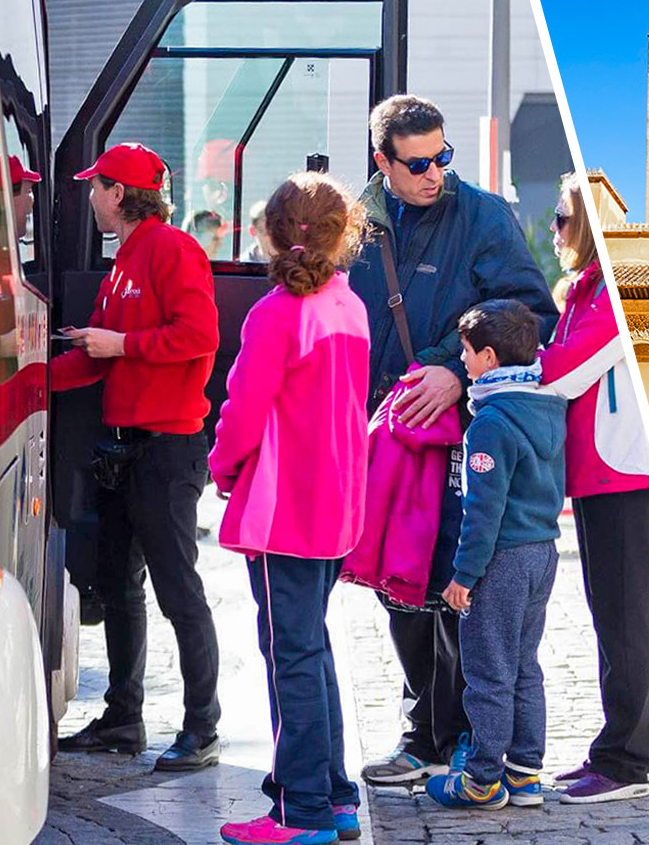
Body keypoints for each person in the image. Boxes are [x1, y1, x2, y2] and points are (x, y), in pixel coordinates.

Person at [349, 95, 559, 786]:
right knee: (395, 583)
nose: (435, 171)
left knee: (454, 585)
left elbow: (531, 315)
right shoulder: (359, 221)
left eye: (444, 156)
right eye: (418, 163)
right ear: (383, 162)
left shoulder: (485, 215)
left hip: (459, 434)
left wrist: (448, 365)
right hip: (383, 435)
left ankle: (463, 738)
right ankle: (425, 734)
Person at [52, 142, 222, 771]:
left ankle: (202, 727)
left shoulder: (171, 250)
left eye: (95, 187)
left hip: (165, 450)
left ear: (118, 193)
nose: (89, 196)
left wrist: (120, 342)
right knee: (122, 587)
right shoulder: (126, 258)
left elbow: (200, 336)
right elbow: (96, 357)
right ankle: (124, 719)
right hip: (125, 449)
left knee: (178, 591)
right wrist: (25, 379)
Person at [212, 175, 371, 845]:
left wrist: (222, 466)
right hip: (336, 502)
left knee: (291, 655)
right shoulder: (349, 305)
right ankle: (332, 795)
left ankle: (300, 809)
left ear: (274, 232)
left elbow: (244, 412)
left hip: (286, 506)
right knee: (311, 647)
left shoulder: (277, 312)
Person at [537, 176, 649, 803]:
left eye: (561, 219)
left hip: (621, 471)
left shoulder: (609, 290)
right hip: (594, 473)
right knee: (608, 614)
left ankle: (626, 763)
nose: (555, 230)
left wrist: (508, 368)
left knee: (624, 617)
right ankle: (611, 750)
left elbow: (566, 369)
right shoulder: (584, 289)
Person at [426, 300, 566, 810]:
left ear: (487, 356)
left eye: (465, 351)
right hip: (542, 551)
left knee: (488, 669)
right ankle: (525, 773)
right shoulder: (544, 405)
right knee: (524, 665)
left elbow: (482, 510)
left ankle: (482, 778)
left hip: (502, 557)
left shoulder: (490, 423)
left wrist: (464, 574)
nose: (461, 360)